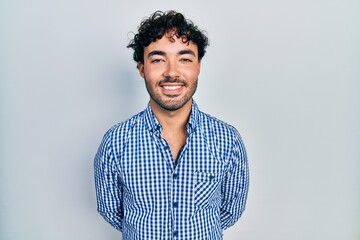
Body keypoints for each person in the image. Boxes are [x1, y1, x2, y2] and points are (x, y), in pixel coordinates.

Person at [94, 10, 249, 240]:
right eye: (158, 60)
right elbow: (112, 211)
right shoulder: (115, 142)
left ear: (198, 66)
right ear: (142, 69)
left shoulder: (227, 140)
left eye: (184, 59)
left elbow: (230, 210)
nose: (172, 72)